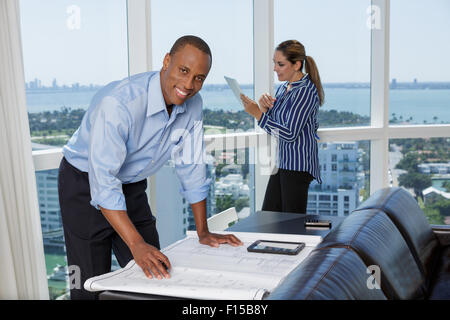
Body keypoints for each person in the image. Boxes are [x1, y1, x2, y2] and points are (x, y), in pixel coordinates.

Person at [58, 35, 243, 300]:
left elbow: (191, 165)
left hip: (131, 185)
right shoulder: (119, 103)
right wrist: (135, 244)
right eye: (183, 70)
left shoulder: (193, 106)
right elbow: (104, 182)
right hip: (83, 185)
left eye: (199, 78)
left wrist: (203, 231)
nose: (189, 85)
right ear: (167, 61)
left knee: (157, 275)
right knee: (88, 285)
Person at [240, 40, 324, 214]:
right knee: (269, 217)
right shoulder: (284, 88)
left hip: (298, 167)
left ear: (296, 65)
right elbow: (275, 125)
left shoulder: (306, 91)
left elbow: (289, 134)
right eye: (274, 63)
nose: (275, 68)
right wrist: (263, 108)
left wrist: (257, 114)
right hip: (283, 163)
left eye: (280, 64)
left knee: (290, 225)